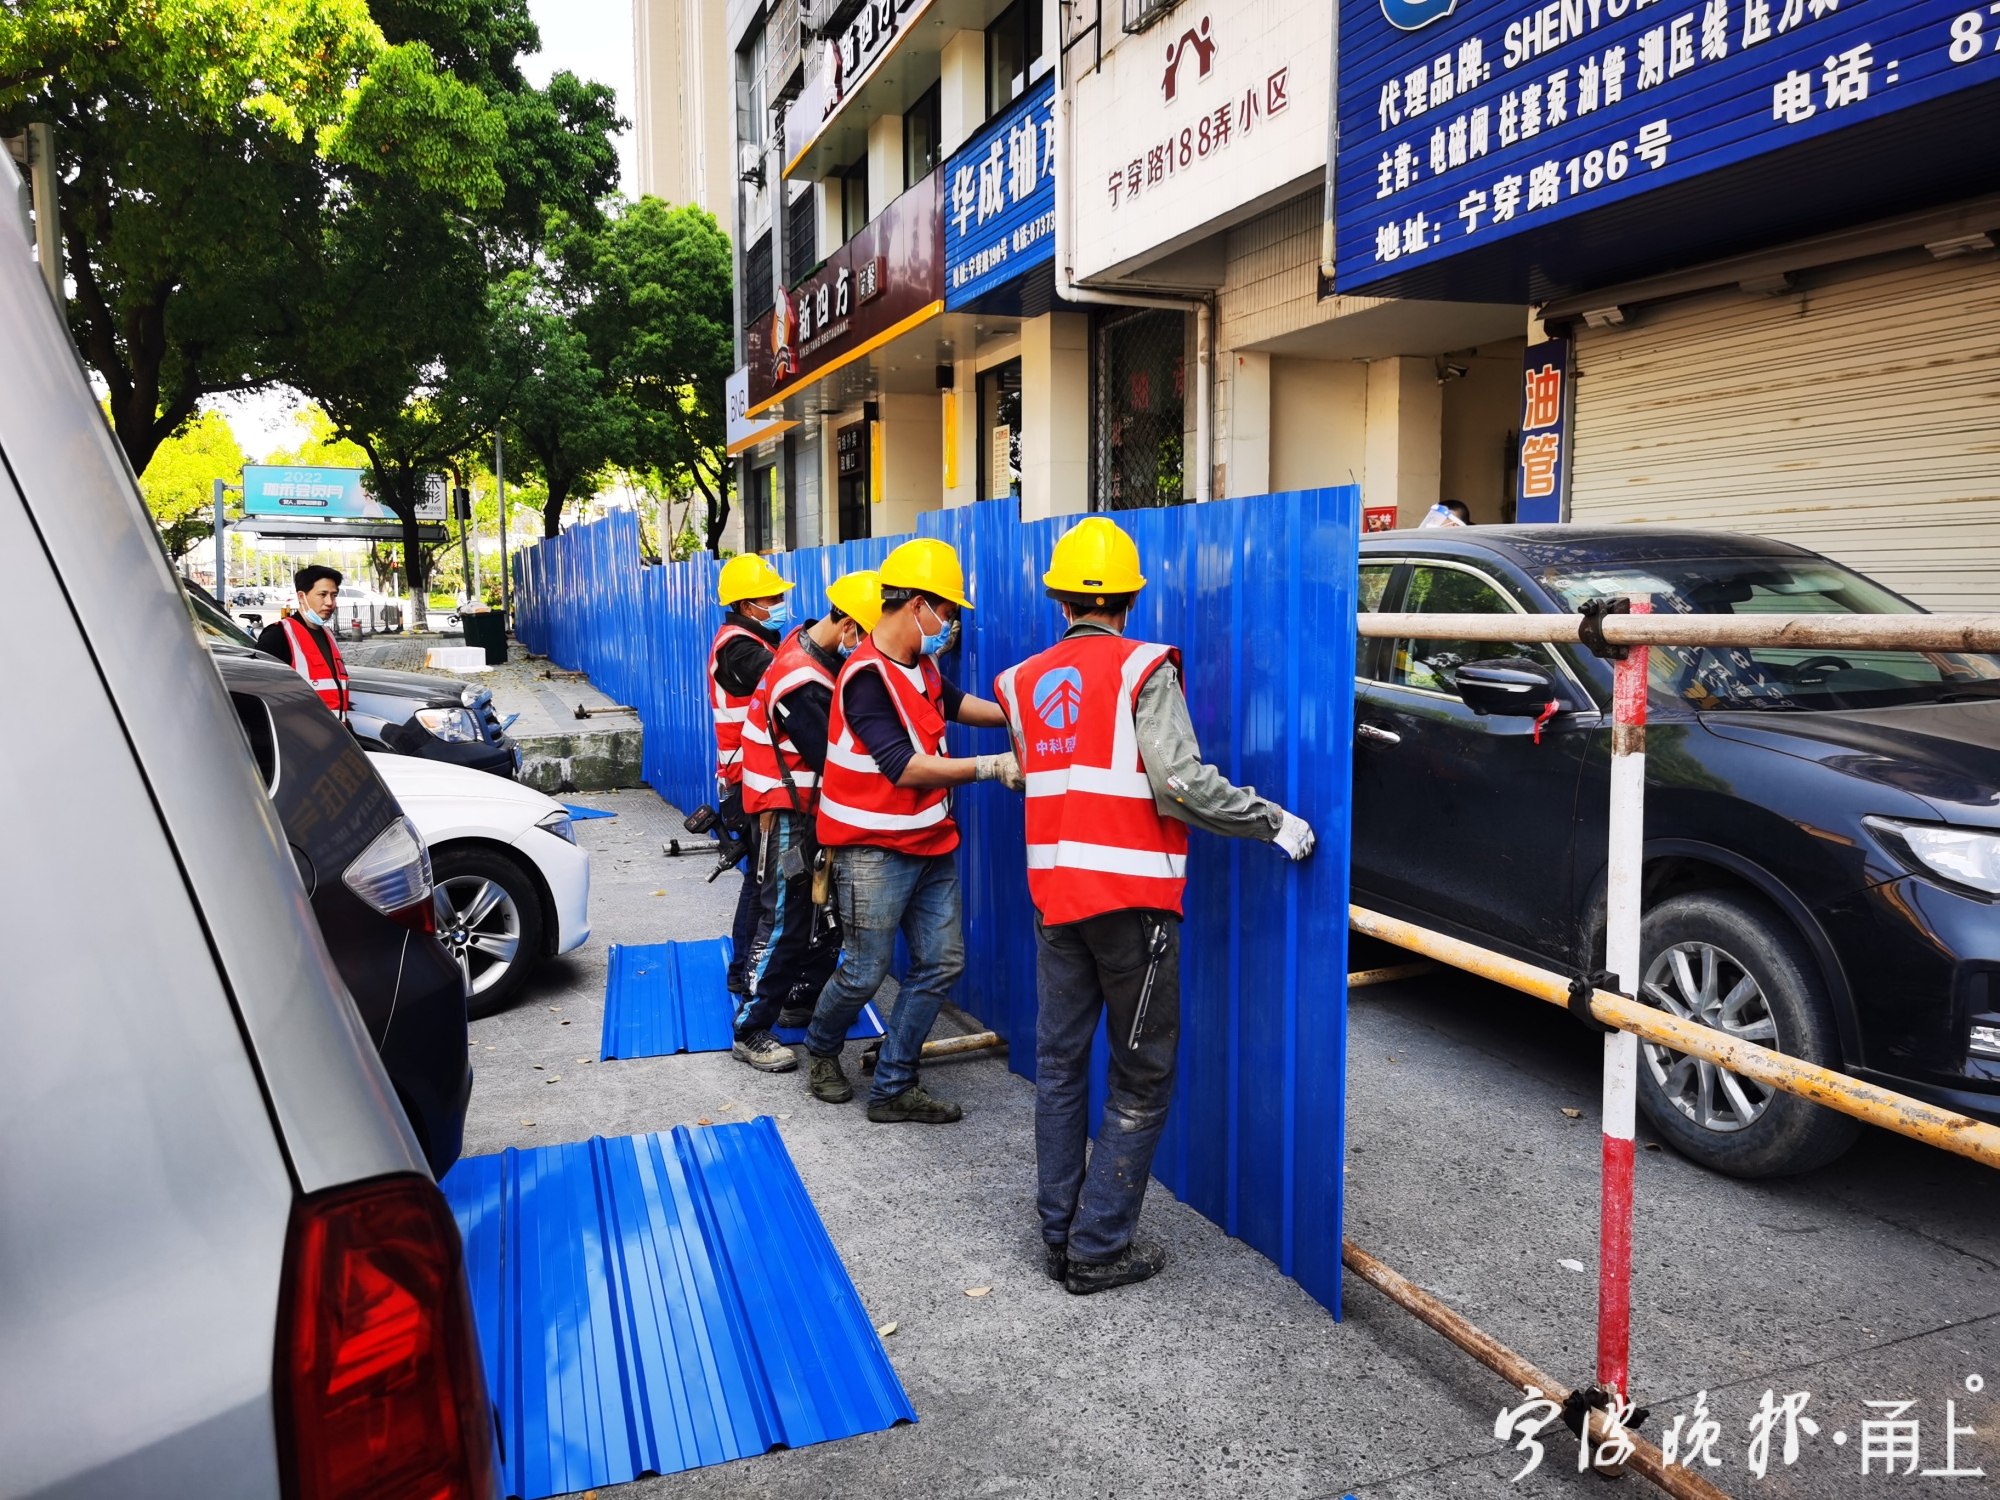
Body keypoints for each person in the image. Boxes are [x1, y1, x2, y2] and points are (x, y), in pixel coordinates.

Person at [992, 517, 1317, 1296]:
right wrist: (1273, 821)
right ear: (1129, 601)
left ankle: (1059, 1232)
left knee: (1061, 1067)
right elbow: (1179, 783)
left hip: (1057, 903)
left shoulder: (1022, 681)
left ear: (1060, 599)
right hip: (1133, 910)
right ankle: (1098, 1248)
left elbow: (1049, 775)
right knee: (1142, 1077)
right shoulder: (1145, 668)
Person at [805, 537, 1023, 1124]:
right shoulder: (864, 677)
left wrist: (1019, 712)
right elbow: (902, 767)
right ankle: (822, 1050)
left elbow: (957, 705)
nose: (949, 624)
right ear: (917, 605)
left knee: (941, 963)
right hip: (870, 851)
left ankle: (895, 1083)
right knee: (863, 971)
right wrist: (991, 766)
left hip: (929, 843)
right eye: (946, 611)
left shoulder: (919, 665)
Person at [730, 569, 884, 1073]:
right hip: (786, 812)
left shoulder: (804, 648)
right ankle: (751, 1028)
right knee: (786, 922)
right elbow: (832, 757)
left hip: (804, 807)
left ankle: (800, 999)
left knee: (823, 917)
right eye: (866, 638)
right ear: (848, 629)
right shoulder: (802, 680)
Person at [710, 553, 792, 1004]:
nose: (779, 602)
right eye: (772, 597)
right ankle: (744, 974)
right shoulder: (739, 649)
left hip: (751, 779)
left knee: (759, 881)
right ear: (746, 605)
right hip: (747, 782)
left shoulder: (755, 639)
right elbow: (791, 680)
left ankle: (743, 971)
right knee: (763, 884)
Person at [255, 565, 351, 722]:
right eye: (322, 594)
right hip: (299, 738)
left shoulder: (328, 635)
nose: (329, 602)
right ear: (301, 597)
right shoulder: (278, 635)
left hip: (333, 734)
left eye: (334, 595)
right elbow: (261, 692)